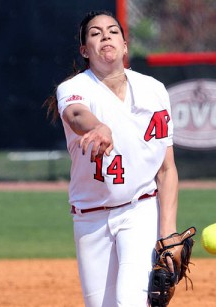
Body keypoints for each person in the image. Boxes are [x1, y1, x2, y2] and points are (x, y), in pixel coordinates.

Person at [44, 10, 179, 307]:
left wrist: (167, 232)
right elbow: (75, 114)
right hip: (90, 217)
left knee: (129, 301)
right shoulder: (74, 88)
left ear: (125, 44)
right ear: (85, 50)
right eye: (95, 33)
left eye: (112, 31)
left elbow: (167, 170)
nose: (105, 35)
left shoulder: (153, 90)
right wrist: (97, 126)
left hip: (140, 209)